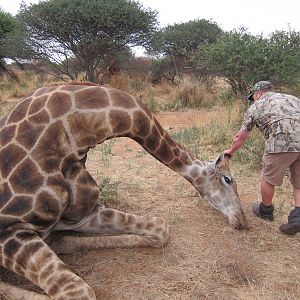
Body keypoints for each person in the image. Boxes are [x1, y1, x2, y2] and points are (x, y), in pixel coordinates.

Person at [224, 81, 300, 235]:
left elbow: (241, 136)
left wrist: (231, 150)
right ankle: (298, 216)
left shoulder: (256, 107)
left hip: (280, 142)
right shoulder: (293, 99)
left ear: (258, 93)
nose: (254, 100)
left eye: (254, 97)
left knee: (268, 179)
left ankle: (265, 210)